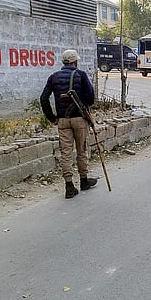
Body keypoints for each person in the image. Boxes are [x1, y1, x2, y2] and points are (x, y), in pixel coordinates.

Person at [41, 49, 97, 199]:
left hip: (62, 120)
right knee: (82, 149)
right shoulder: (81, 75)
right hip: (79, 119)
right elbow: (91, 97)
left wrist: (52, 117)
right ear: (75, 61)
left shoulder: (54, 77)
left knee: (65, 153)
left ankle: (69, 186)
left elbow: (44, 98)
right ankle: (84, 180)